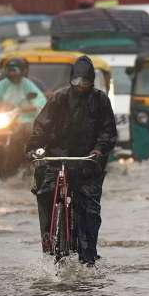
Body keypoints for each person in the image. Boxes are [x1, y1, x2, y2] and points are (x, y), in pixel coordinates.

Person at [25, 55, 117, 265]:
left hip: (87, 162)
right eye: (77, 81)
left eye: (85, 82)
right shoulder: (59, 98)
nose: (81, 86)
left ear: (91, 81)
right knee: (45, 194)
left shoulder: (100, 100)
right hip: (57, 158)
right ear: (71, 79)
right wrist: (33, 148)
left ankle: (88, 258)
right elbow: (42, 126)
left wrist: (98, 151)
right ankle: (50, 246)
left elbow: (108, 132)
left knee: (89, 210)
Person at [0, 57, 47, 126]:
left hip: (25, 120)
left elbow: (40, 100)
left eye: (14, 70)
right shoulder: (3, 85)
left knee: (27, 129)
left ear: (22, 71)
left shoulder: (27, 84)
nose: (12, 73)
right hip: (4, 119)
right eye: (10, 70)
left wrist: (32, 107)